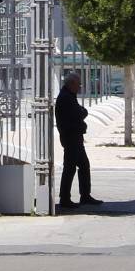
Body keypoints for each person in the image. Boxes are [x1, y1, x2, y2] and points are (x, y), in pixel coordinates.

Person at [54, 72, 102, 209]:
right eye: (78, 84)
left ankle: (85, 196)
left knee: (83, 166)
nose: (80, 87)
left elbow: (79, 112)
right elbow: (80, 113)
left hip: (74, 137)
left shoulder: (68, 95)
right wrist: (82, 114)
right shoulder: (66, 98)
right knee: (70, 168)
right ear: (71, 84)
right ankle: (65, 198)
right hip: (71, 137)